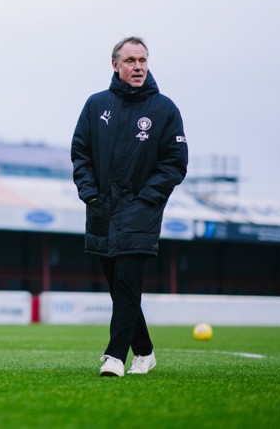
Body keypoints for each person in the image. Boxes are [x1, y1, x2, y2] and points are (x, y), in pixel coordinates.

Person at [71, 36, 188, 377]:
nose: (138, 67)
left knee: (126, 284)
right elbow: (80, 153)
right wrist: (90, 195)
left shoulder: (165, 109)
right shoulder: (96, 106)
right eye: (131, 61)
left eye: (143, 60)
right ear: (115, 65)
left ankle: (114, 357)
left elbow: (175, 163)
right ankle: (146, 352)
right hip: (102, 211)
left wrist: (147, 199)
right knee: (120, 288)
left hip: (141, 211)